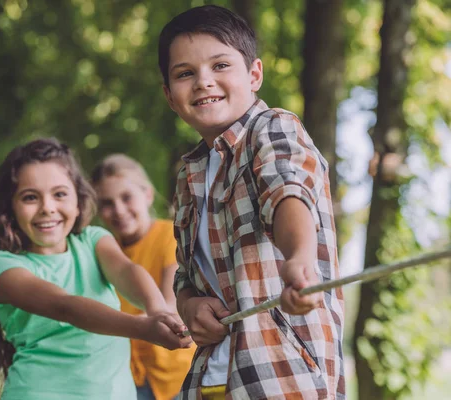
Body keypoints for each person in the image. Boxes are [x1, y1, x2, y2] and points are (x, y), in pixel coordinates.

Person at [158, 5, 345, 400]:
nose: (203, 82)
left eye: (220, 65)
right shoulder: (189, 173)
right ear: (169, 96)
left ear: (254, 74)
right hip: (211, 376)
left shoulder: (272, 127)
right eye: (185, 73)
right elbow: (185, 275)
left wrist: (298, 258)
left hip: (280, 372)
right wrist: (189, 304)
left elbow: (288, 193)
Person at [0, 138, 192, 400]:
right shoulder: (5, 266)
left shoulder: (93, 240)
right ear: (11, 208)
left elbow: (125, 271)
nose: (48, 208)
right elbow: (64, 306)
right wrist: (144, 328)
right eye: (30, 197)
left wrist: (157, 309)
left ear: (78, 201)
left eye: (59, 194)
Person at [91, 154, 197, 400]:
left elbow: (170, 305)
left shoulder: (169, 236)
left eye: (127, 198)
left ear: (147, 195)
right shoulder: (105, 251)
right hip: (125, 378)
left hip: (176, 374)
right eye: (106, 203)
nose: (118, 210)